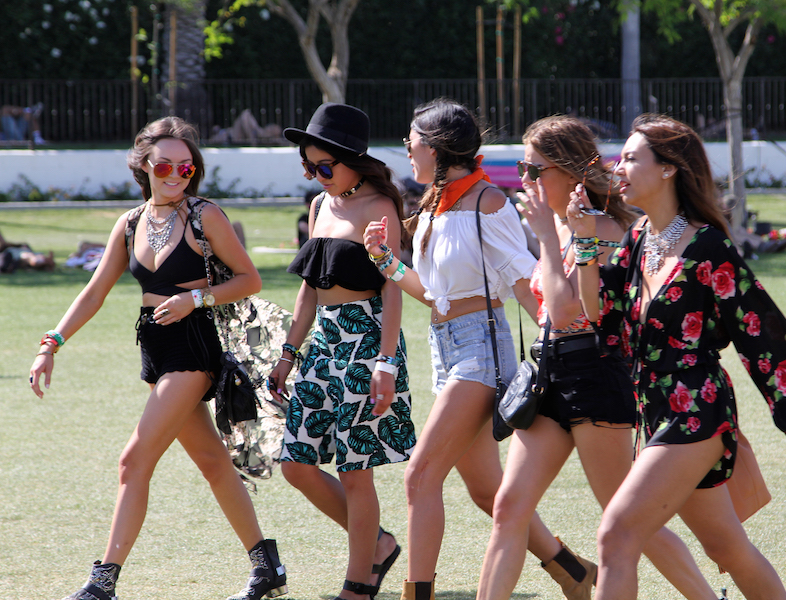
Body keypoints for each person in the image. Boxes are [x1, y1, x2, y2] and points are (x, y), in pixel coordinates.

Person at [569, 113, 786, 600]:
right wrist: (581, 241)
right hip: (654, 410)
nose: (617, 166)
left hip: (694, 410)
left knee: (615, 535)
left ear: (668, 169)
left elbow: (762, 331)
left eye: (631, 157)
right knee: (729, 550)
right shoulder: (639, 240)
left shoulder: (708, 247)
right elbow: (598, 312)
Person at [28, 116, 287, 600]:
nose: (175, 175)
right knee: (212, 462)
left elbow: (249, 279)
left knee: (133, 460)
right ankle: (266, 567)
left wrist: (197, 299)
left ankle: (102, 583)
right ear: (143, 165)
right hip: (155, 347)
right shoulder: (129, 224)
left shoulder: (204, 215)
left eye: (186, 169)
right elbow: (93, 292)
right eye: (165, 165)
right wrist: (51, 344)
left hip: (194, 344)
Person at [477, 115, 722, 600]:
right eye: (523, 170)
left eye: (534, 169)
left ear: (569, 172)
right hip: (550, 374)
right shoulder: (565, 229)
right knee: (509, 508)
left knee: (624, 517)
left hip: (596, 374)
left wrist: (547, 234)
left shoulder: (607, 229)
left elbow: (569, 310)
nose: (524, 180)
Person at [363, 99, 596, 600]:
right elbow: (433, 294)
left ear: (437, 147)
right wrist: (386, 260)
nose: (407, 148)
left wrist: (563, 343)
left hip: (480, 351)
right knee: (488, 492)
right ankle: (575, 574)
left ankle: (416, 593)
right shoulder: (433, 203)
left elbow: (522, 279)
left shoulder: (488, 202)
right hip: (446, 348)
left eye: (412, 140)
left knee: (420, 476)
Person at [267, 103, 415, 600]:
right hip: (323, 344)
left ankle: (358, 584)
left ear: (355, 160)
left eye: (324, 167)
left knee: (356, 472)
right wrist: (289, 352)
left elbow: (393, 287)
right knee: (297, 464)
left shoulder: (381, 207)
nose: (316, 175)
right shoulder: (319, 206)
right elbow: (310, 288)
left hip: (367, 341)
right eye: (308, 166)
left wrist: (385, 361)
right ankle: (377, 544)